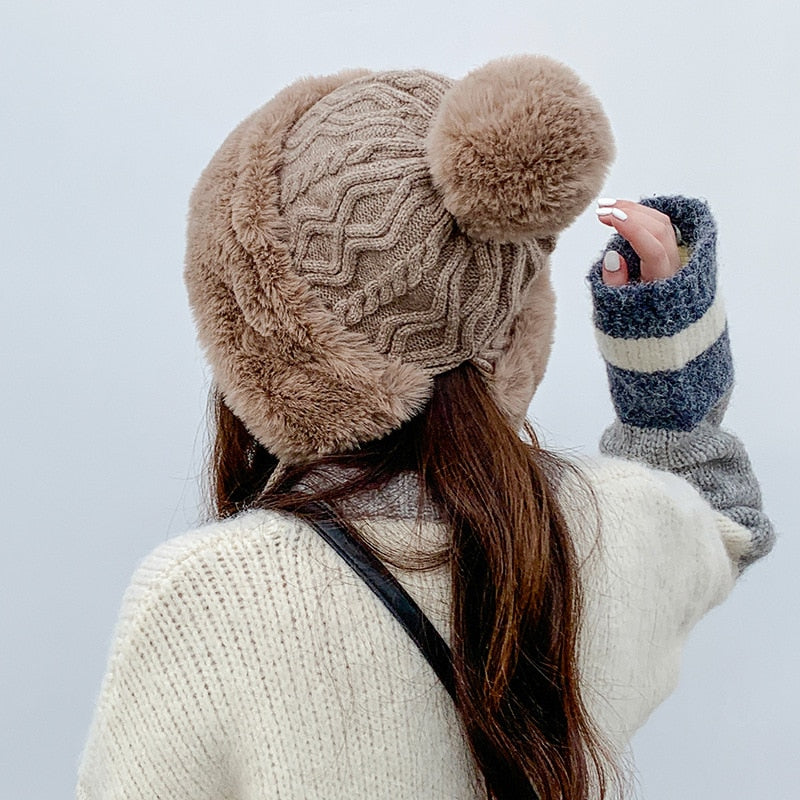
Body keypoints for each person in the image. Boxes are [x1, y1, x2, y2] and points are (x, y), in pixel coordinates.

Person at [76, 55, 773, 800]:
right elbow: (716, 515)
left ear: (257, 330)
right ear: (508, 316)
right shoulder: (600, 536)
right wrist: (660, 334)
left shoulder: (205, 596)